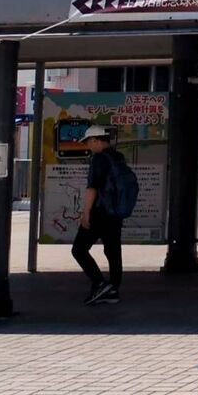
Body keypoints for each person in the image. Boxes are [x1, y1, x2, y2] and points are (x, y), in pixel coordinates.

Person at [72, 126, 125, 305]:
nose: (88, 146)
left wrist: (86, 213)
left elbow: (92, 188)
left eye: (88, 142)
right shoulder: (118, 157)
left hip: (100, 212)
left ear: (96, 140)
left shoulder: (99, 158)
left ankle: (100, 283)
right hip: (115, 213)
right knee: (113, 251)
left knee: (78, 249)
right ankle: (113, 290)